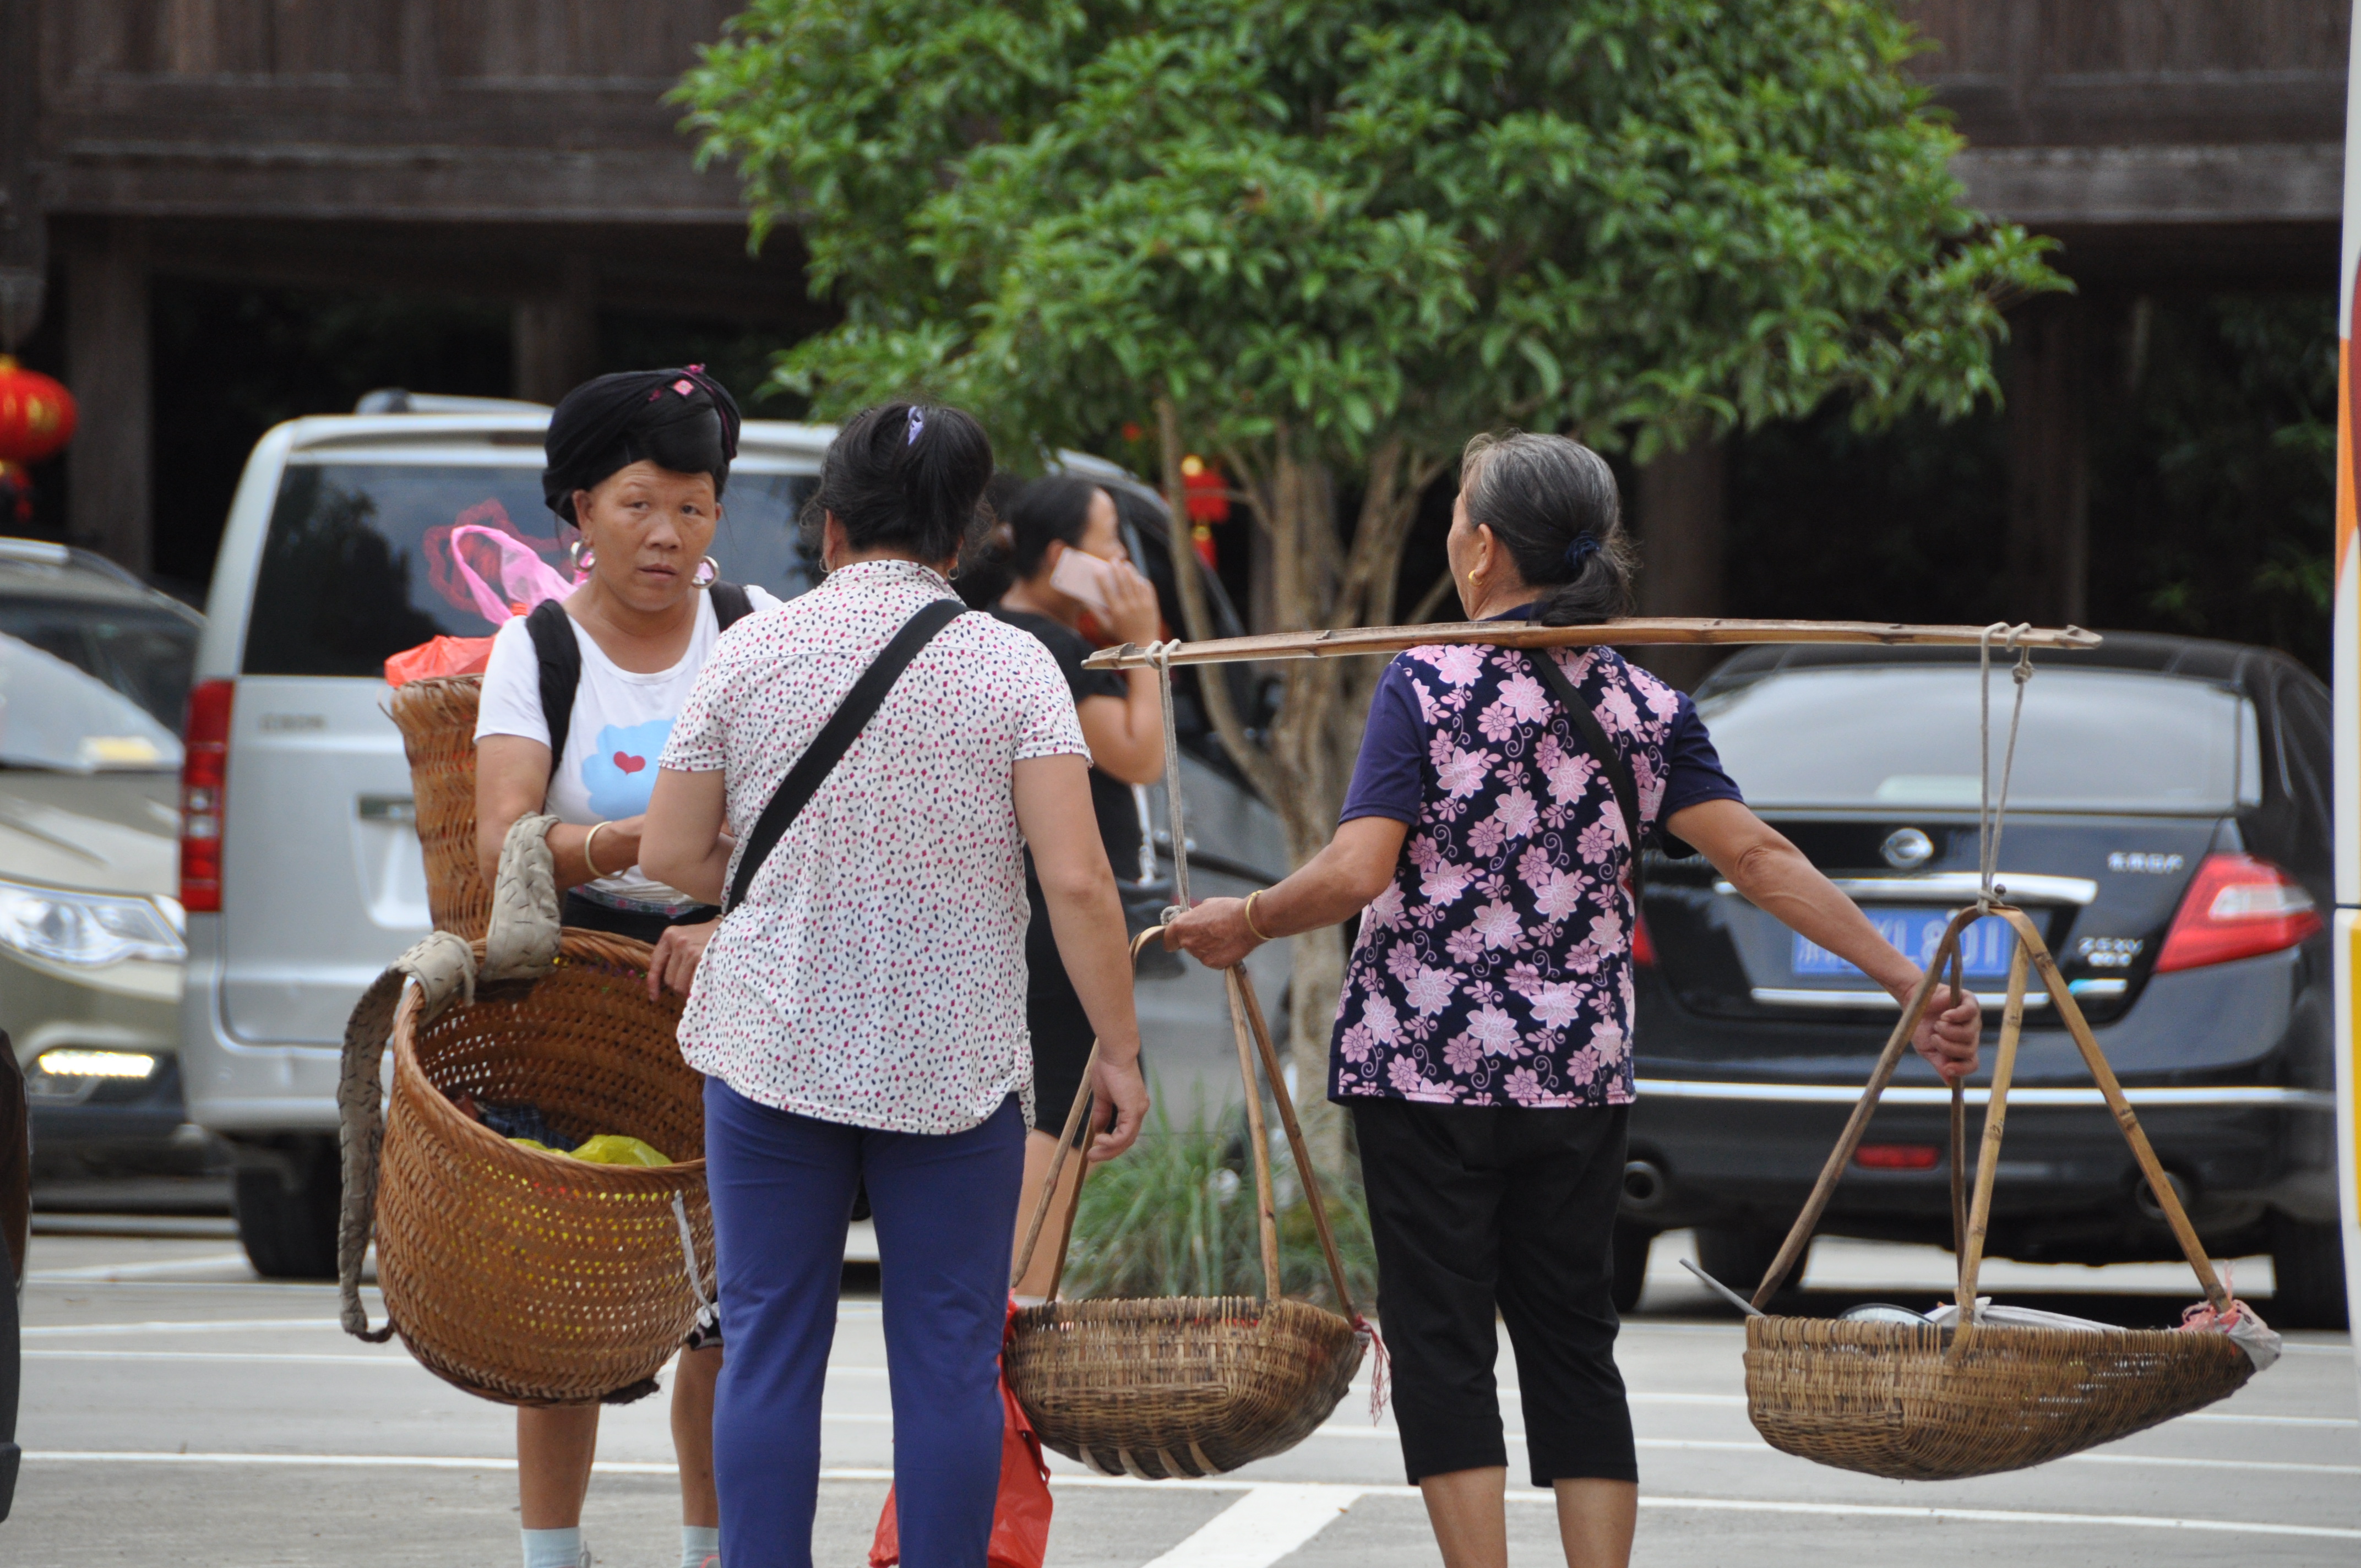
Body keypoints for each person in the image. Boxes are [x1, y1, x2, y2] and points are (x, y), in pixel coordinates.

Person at [1164, 432, 1982, 1568]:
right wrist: (1910, 982)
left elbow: (1357, 872)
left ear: (1484, 546)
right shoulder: (1647, 704)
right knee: (1570, 1342)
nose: (1453, 534)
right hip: (1573, 1076)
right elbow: (1756, 857)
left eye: (1457, 514)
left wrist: (1242, 921)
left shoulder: (1425, 681)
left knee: (1443, 1343)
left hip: (1423, 1068)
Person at [640, 401, 1151, 1568]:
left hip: (772, 1047)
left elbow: (671, 854)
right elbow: (1076, 881)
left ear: (829, 526)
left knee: (770, 1347)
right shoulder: (1012, 663)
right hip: (953, 1066)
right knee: (949, 1359)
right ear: (963, 535)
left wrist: (797, 872)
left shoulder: (751, 648)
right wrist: (1114, 1051)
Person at [474, 365, 779, 1568]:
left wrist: (722, 916)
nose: (668, 534)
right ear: (578, 510)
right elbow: (507, 832)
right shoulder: (533, 651)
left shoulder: (759, 632)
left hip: (735, 986)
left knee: (728, 1310)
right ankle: (553, 1552)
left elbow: (803, 821)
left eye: (696, 506)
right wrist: (635, 846)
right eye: (640, 502)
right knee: (567, 1302)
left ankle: (714, 1548)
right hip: (579, 1001)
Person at [989, 475, 1166, 1297]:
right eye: (1110, 545)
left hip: (1007, 931)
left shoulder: (991, 633)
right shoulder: (1054, 649)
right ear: (1061, 559)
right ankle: (1014, 1334)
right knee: (1051, 1123)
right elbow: (1138, 753)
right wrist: (1146, 640)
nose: (1125, 562)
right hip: (1054, 946)